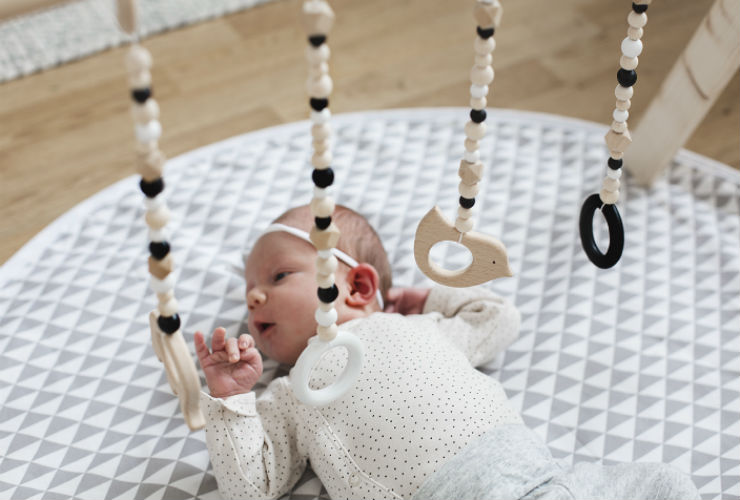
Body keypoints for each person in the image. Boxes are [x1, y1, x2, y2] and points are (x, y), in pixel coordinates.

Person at [193, 204, 700, 500]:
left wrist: (430, 297)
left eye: (278, 276)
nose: (254, 296)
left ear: (358, 286)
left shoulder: (419, 327)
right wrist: (231, 400)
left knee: (666, 483)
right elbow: (251, 484)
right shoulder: (288, 394)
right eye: (249, 289)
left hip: (539, 480)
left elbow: (497, 318)